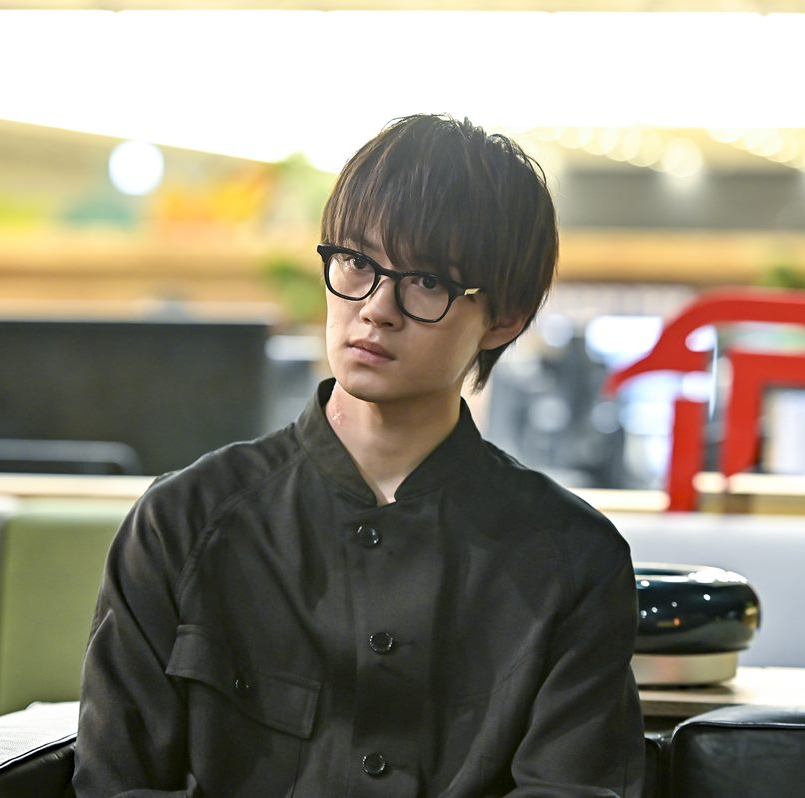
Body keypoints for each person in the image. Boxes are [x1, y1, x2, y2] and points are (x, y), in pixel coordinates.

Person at [73, 114, 644, 797]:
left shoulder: (572, 561)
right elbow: (115, 783)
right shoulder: (183, 522)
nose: (376, 308)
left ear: (503, 318)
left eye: (426, 281)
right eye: (357, 263)